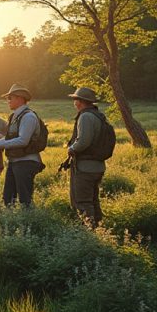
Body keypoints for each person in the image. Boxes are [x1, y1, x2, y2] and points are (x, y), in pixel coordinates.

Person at [0, 84, 45, 207]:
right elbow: (10, 139)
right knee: (8, 198)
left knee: (25, 200)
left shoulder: (28, 116)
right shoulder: (15, 116)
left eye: (10, 98)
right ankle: (12, 224)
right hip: (15, 162)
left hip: (26, 162)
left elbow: (22, 141)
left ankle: (28, 223)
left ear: (20, 98)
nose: (8, 101)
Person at [66, 87, 109, 225]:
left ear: (80, 102)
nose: (74, 103)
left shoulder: (85, 116)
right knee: (93, 201)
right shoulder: (98, 116)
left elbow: (83, 141)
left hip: (84, 169)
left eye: (75, 99)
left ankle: (89, 233)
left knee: (82, 202)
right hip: (97, 167)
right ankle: (99, 229)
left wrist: (71, 149)